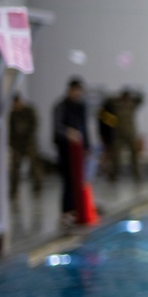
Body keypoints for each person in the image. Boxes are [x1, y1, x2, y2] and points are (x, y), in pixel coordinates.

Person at [52, 77, 90, 224]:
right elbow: (57, 129)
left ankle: (77, 209)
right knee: (68, 180)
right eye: (76, 90)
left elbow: (84, 128)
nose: (78, 94)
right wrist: (68, 133)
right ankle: (66, 210)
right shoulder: (61, 107)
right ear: (70, 90)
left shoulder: (81, 107)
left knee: (79, 181)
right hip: (65, 150)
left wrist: (87, 146)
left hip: (79, 151)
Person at [8, 93, 42, 199]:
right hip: (17, 145)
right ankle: (14, 190)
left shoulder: (29, 111)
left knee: (35, 165)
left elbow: (34, 125)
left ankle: (38, 187)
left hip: (29, 143)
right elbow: (11, 130)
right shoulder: (13, 114)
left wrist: (28, 138)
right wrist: (11, 144)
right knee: (15, 168)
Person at [111, 87, 145, 181]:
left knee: (134, 156)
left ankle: (137, 176)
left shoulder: (131, 105)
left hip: (130, 134)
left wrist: (134, 93)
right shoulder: (116, 105)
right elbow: (106, 104)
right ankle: (114, 176)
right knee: (116, 157)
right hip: (119, 135)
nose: (126, 100)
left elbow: (141, 98)